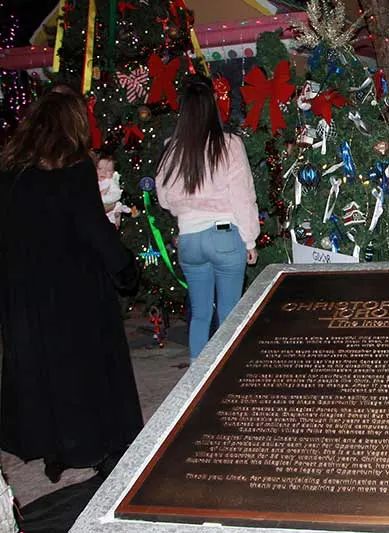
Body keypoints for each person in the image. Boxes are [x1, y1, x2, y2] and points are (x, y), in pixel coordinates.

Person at [0, 85, 143, 483]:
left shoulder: (9, 173)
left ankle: (55, 451)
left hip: (24, 293)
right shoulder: (73, 169)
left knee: (42, 372)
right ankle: (100, 449)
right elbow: (93, 229)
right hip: (74, 291)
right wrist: (125, 268)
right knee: (88, 371)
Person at [156, 77, 259, 362]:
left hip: (189, 240)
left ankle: (197, 376)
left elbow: (164, 199)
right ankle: (225, 375)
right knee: (229, 313)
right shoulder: (229, 145)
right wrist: (250, 240)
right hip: (225, 236)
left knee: (200, 314)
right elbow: (242, 196)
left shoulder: (172, 149)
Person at [95, 152, 131, 229]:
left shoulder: (111, 182)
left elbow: (116, 195)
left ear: (113, 172)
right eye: (100, 169)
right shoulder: (92, 181)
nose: (103, 172)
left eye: (108, 170)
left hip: (110, 212)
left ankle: (117, 216)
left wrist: (102, 198)